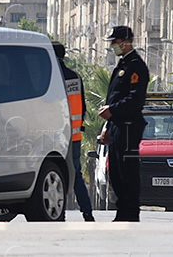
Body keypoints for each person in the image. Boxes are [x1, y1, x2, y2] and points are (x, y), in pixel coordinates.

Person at [98, 26, 149, 222]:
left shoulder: (136, 66)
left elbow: (135, 99)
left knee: (127, 170)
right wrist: (108, 127)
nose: (113, 46)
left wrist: (114, 110)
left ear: (125, 41)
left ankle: (131, 212)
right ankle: (122, 211)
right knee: (117, 171)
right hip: (117, 126)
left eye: (115, 42)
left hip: (129, 125)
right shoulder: (122, 65)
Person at [52, 41, 94, 222]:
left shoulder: (52, 77)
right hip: (75, 135)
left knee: (55, 173)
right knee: (76, 175)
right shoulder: (75, 77)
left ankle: (58, 212)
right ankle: (87, 212)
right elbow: (82, 107)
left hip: (55, 136)